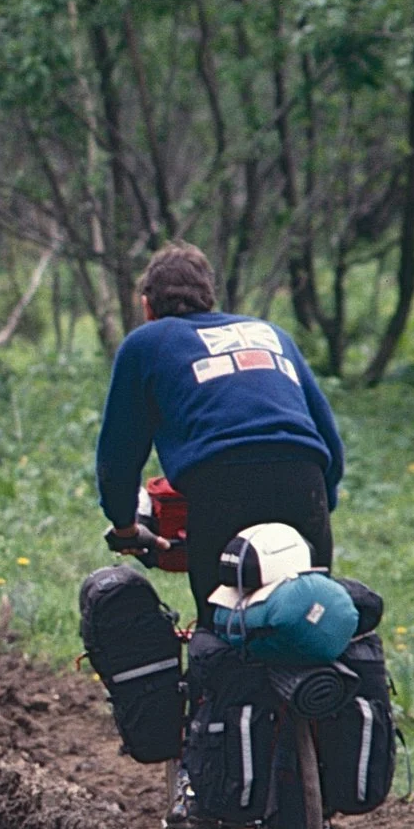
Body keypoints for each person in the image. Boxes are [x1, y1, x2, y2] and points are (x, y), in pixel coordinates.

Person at [96, 243, 345, 628]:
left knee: (222, 627)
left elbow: (119, 454)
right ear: (209, 298)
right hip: (304, 479)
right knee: (314, 621)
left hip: (220, 484)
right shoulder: (270, 333)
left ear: (147, 306)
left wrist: (125, 526)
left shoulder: (146, 343)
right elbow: (329, 439)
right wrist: (318, 509)